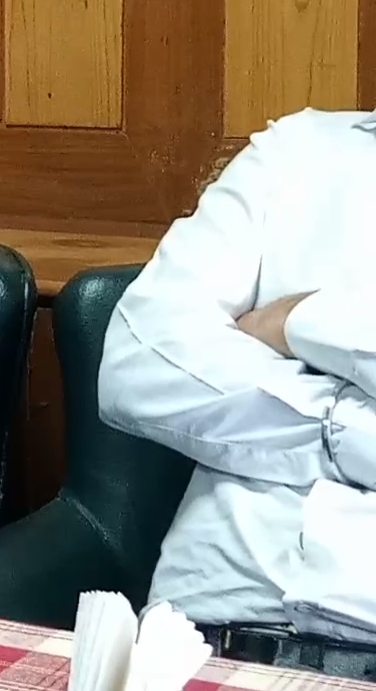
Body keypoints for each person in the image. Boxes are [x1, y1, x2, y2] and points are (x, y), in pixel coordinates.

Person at [100, 107, 376, 677]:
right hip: (208, 641)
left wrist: (297, 322)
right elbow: (137, 361)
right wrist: (346, 430)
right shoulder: (298, 149)